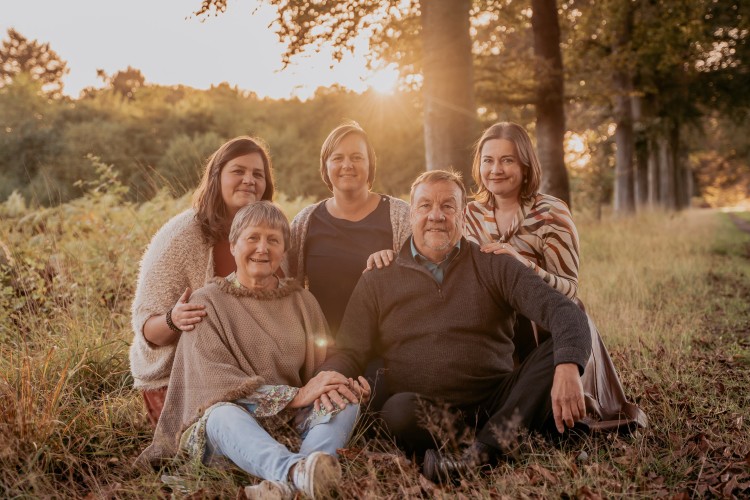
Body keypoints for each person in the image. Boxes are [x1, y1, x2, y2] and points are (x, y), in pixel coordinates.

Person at [318, 170, 592, 484]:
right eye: (425, 206)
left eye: (448, 206)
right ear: (411, 214)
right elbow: (349, 350)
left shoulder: (493, 264)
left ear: (462, 215)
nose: (436, 215)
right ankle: (502, 438)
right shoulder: (379, 276)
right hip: (428, 413)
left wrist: (568, 365)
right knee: (397, 411)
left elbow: (564, 311)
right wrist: (329, 376)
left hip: (498, 398)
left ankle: (481, 454)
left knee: (558, 348)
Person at [137, 201, 370, 499]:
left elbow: (320, 372)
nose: (263, 248)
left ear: (283, 251)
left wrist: (341, 386)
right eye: (253, 238)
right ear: (233, 245)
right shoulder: (206, 302)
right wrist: (297, 396)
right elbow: (214, 387)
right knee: (222, 415)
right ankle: (295, 473)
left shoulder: (302, 301)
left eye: (273, 240)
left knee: (342, 403)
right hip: (231, 434)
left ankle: (291, 484)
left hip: (289, 424)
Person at [464, 122, 646, 431]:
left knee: (552, 424)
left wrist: (523, 265)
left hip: (545, 324)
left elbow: (569, 290)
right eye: (488, 160)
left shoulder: (551, 212)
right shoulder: (470, 214)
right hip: (493, 326)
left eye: (507, 160)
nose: (495, 169)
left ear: (525, 164)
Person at [130, 136, 275, 426]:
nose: (249, 180)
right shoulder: (182, 236)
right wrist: (174, 319)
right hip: (179, 382)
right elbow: (147, 330)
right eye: (238, 171)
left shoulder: (268, 235)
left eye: (257, 174)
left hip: (243, 374)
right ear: (216, 176)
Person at [285, 121, 411, 337]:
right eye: (337, 158)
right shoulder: (304, 222)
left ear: (370, 164)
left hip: (387, 355)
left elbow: (421, 282)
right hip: (325, 356)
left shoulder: (402, 216)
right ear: (325, 166)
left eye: (357, 157)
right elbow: (283, 286)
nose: (347, 165)